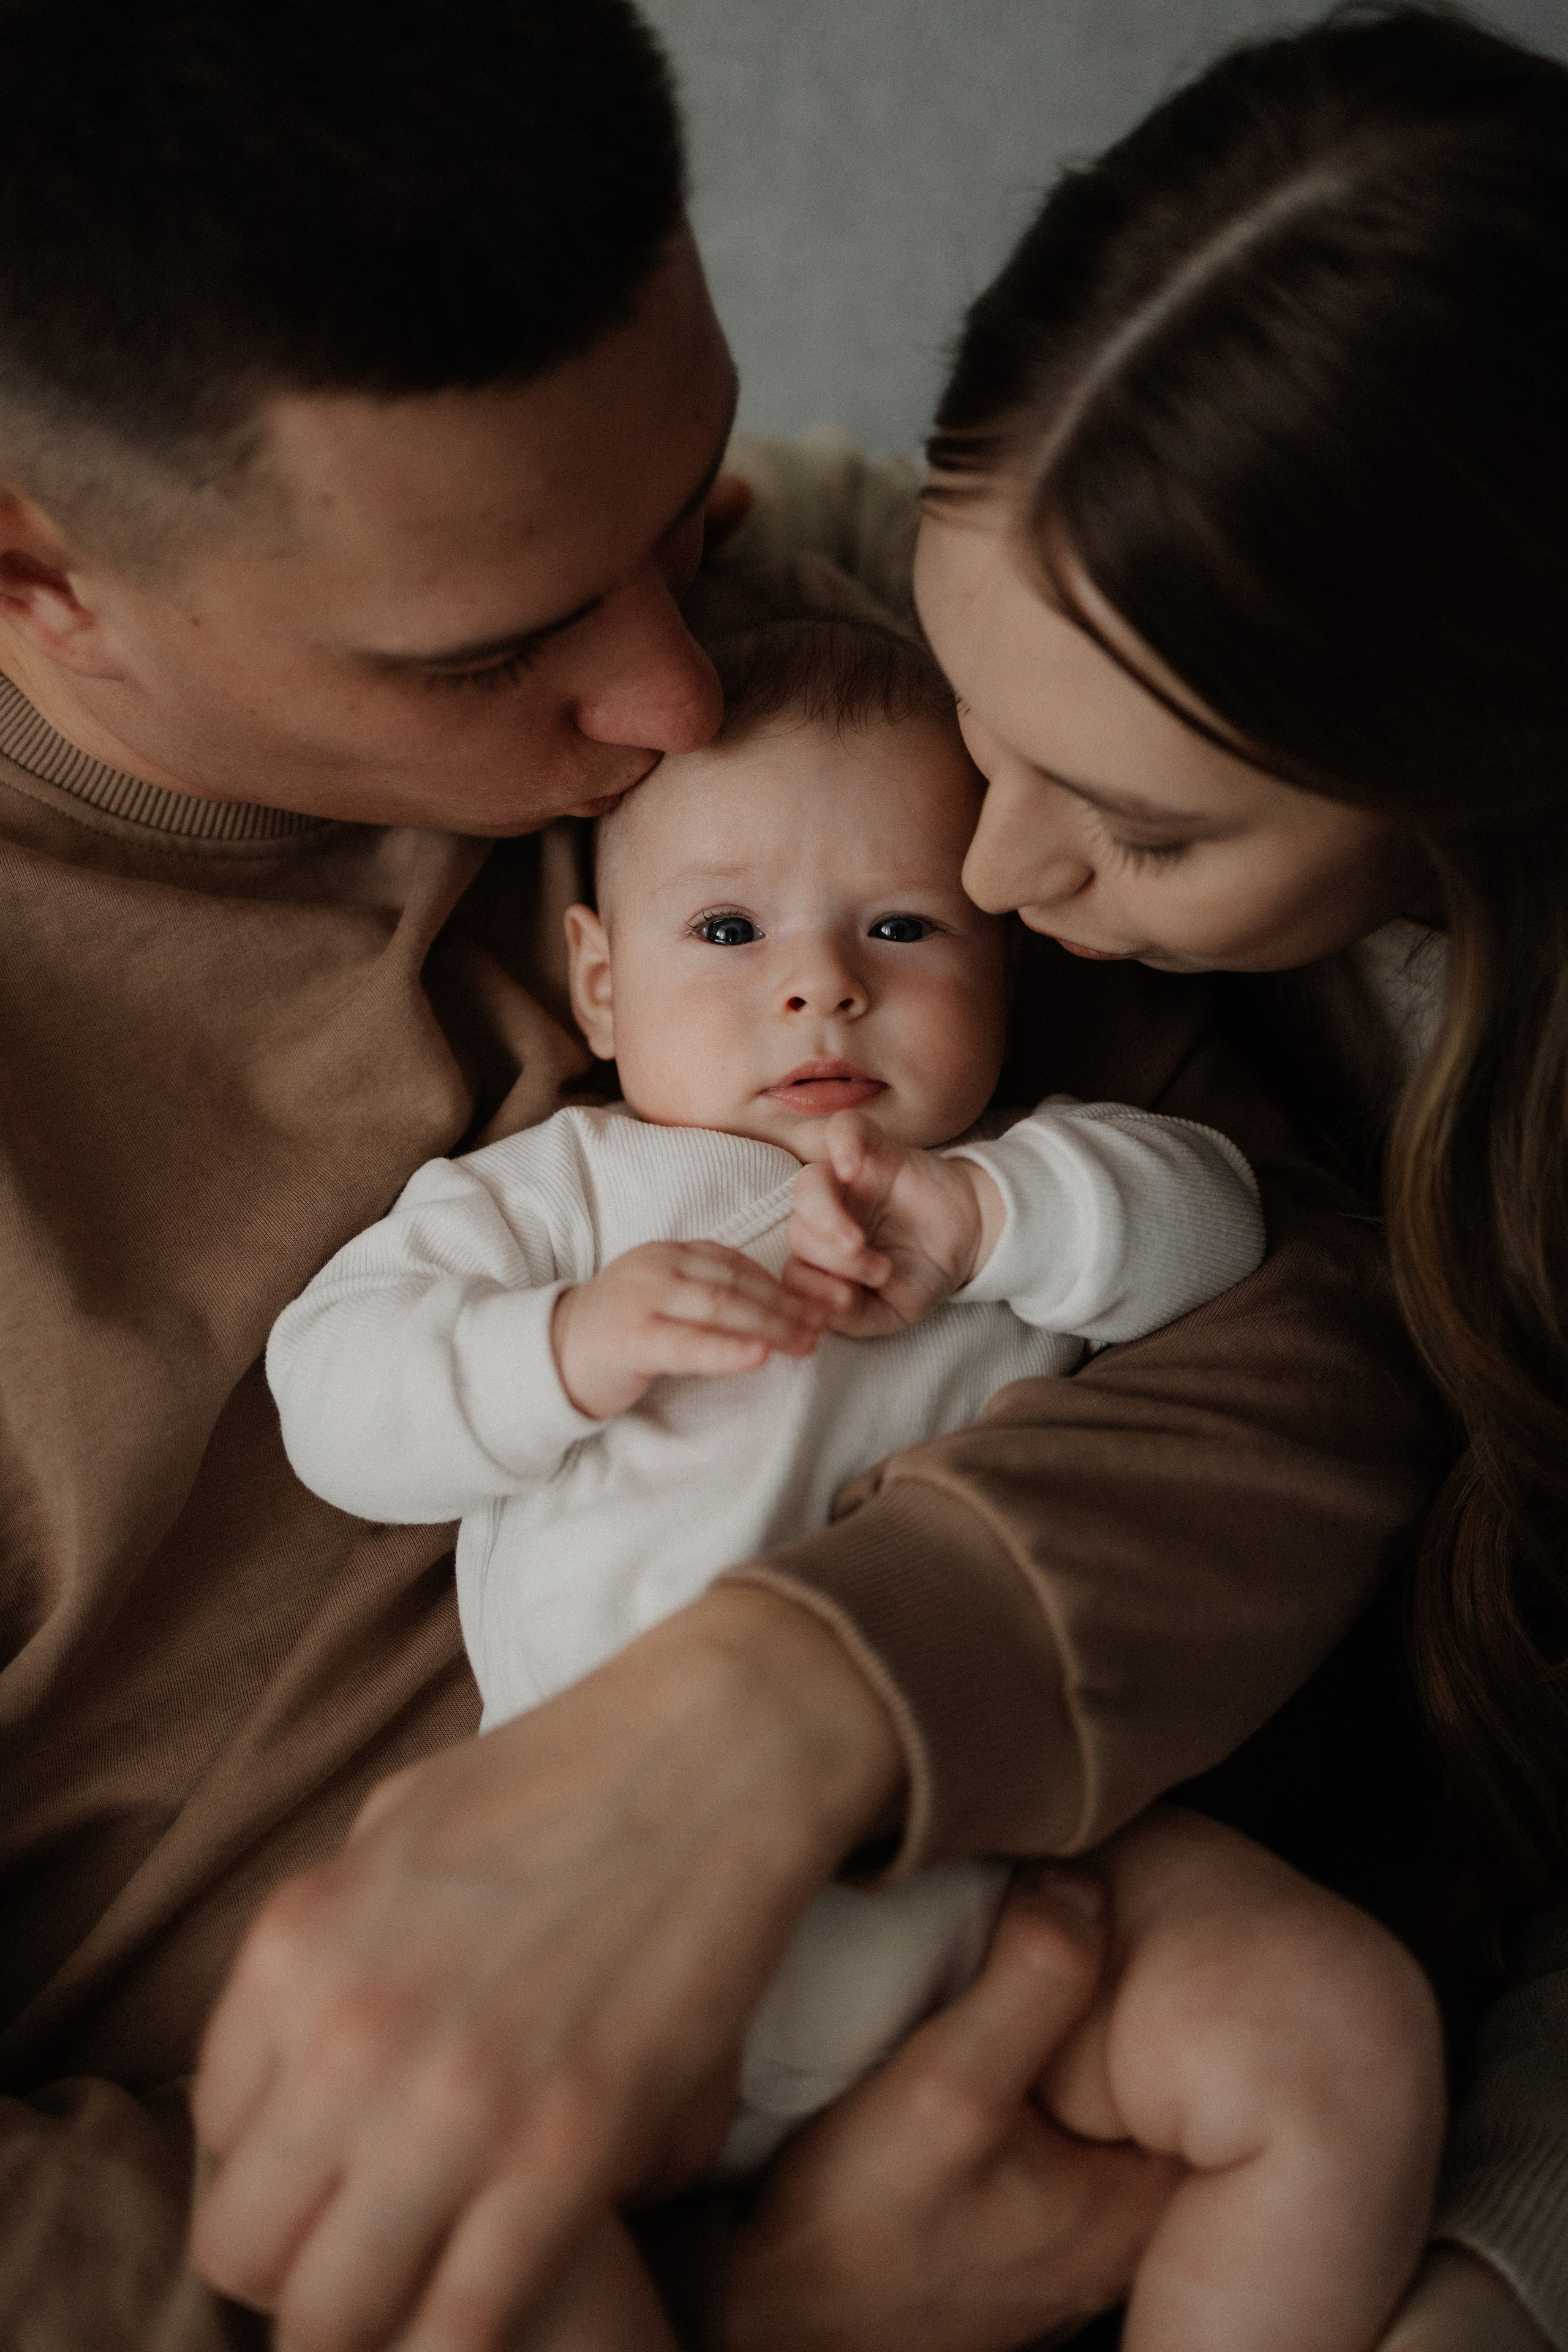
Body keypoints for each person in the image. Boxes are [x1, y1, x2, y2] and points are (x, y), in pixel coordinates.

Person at [0, 2, 1446, 2346]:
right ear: (37, 568)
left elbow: (1328, 1311)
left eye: (692, 520)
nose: (686, 697)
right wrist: (754, 2306)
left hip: (1022, 1916)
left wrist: (794, 1709)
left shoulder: (829, 713)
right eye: (506, 651)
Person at [265, 570, 1442, 2351]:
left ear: (1002, 963)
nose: (819, 990)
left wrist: (984, 1223)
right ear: (599, 983)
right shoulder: (564, 1198)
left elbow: (1223, 1233)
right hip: (604, 1944)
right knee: (468, 2273)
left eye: (900, 931)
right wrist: (562, 1348)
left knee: (1335, 2030)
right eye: (727, 934)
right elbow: (334, 1400)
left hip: (1009, 1870)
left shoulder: (1015, 1179)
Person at [702, 5, 1568, 2348]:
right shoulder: (998, 586)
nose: (992, 860)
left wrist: (1495, 2274)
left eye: (1150, 833)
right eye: (979, 728)